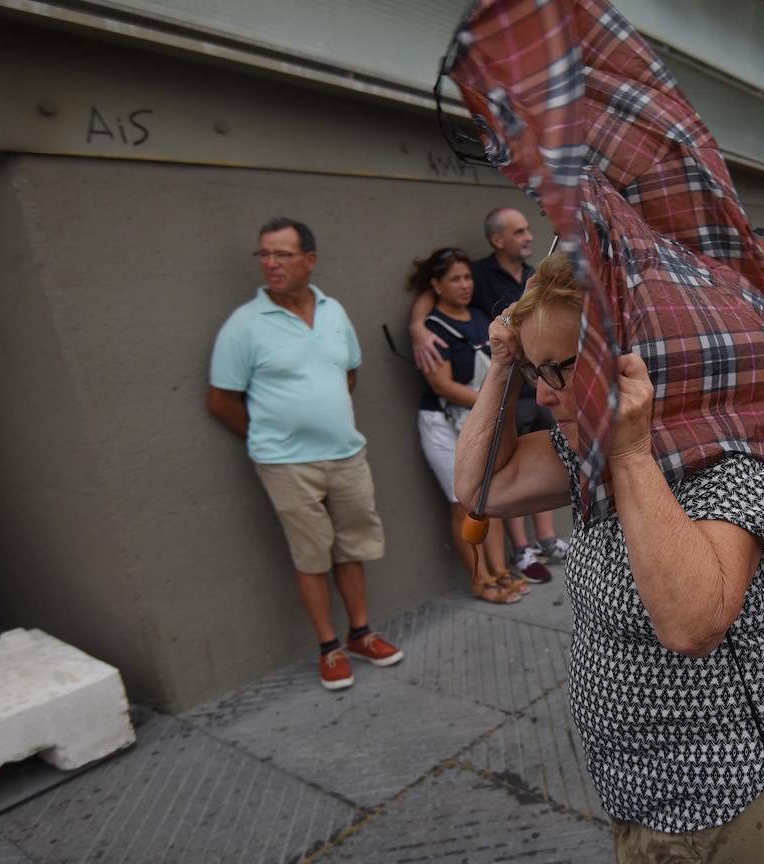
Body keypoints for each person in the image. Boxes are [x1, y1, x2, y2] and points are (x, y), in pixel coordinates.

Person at [453, 253, 764, 864]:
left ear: (638, 363)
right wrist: (503, 363)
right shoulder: (586, 455)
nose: (546, 393)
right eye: (537, 370)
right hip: (635, 780)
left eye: (558, 368)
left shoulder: (738, 465)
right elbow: (478, 487)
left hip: (710, 798)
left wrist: (630, 451)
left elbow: (691, 623)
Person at [208, 217, 401, 691]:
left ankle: (360, 633)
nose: (270, 264)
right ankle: (328, 647)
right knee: (311, 555)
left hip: (346, 455)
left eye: (282, 254)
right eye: (264, 254)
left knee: (352, 546)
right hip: (286, 465)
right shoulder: (244, 325)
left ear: (309, 260)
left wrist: (323, 413)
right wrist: (269, 441)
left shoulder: (334, 311)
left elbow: (349, 373)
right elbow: (221, 400)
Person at [408, 207, 564, 582]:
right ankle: (521, 551)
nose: (529, 237)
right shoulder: (478, 274)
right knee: (503, 468)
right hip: (507, 393)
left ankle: (547, 539)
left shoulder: (533, 274)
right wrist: (417, 326)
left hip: (539, 382)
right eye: (519, 232)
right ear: (497, 240)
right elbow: (436, 294)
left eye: (530, 230)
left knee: (543, 458)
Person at [410, 247, 529, 605]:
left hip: (478, 420)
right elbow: (442, 385)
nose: (463, 285)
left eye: (467, 278)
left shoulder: (480, 316)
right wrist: (493, 402)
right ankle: (481, 579)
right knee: (462, 503)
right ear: (436, 285)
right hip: (444, 426)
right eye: (454, 279)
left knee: (484, 500)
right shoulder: (431, 330)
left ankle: (501, 569)